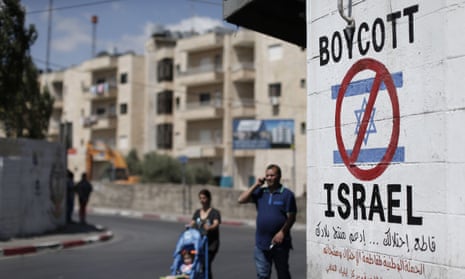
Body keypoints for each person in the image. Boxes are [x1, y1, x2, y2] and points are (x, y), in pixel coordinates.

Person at [238, 164, 297, 279]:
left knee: (283, 274)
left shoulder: (287, 194)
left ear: (279, 176)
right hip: (261, 244)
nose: (269, 178)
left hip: (280, 244)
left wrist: (282, 232)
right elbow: (241, 199)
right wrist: (256, 185)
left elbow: (292, 216)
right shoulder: (260, 192)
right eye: (267, 176)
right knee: (262, 275)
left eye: (272, 175)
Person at [189, 189, 221, 279]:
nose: (202, 200)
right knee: (196, 264)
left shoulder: (214, 212)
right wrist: (189, 226)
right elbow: (192, 222)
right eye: (200, 198)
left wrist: (210, 227)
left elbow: (216, 223)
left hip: (211, 245)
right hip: (199, 244)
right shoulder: (197, 212)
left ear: (209, 198)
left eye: (204, 198)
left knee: (205, 264)